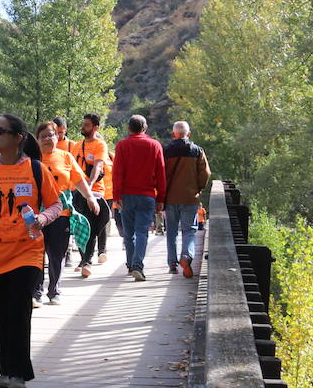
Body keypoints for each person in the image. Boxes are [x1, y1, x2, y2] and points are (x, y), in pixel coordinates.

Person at [0, 114, 62, 388]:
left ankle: (18, 374)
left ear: (18, 138)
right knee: (1, 316)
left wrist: (42, 218)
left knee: (20, 312)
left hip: (26, 251)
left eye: (0, 131)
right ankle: (5, 369)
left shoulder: (35, 169)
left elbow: (56, 204)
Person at [35, 121, 100, 304]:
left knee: (57, 254)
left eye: (51, 135)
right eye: (43, 136)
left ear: (58, 137)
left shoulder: (66, 157)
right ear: (37, 140)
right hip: (36, 215)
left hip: (61, 214)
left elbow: (78, 180)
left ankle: (54, 291)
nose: (48, 139)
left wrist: (90, 197)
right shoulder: (32, 159)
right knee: (37, 254)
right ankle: (36, 292)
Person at [110, 114, 167, 281]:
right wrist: (161, 198)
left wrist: (116, 196)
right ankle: (137, 265)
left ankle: (130, 264)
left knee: (129, 233)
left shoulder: (122, 146)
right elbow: (161, 173)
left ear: (129, 128)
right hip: (147, 196)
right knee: (142, 232)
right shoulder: (155, 145)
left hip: (127, 196)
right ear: (145, 128)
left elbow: (117, 173)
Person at [163, 121, 211, 277]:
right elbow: (206, 174)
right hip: (190, 197)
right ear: (188, 134)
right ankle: (186, 256)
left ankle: (172, 264)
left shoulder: (166, 151)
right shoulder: (197, 151)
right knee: (189, 231)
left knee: (171, 232)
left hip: (170, 198)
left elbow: (160, 173)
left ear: (173, 134)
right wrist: (198, 188)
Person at [74, 113, 112, 277]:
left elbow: (98, 166)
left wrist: (89, 185)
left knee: (90, 225)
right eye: (83, 124)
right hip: (76, 191)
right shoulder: (76, 146)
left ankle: (87, 261)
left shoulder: (100, 145)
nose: (83, 127)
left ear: (95, 127)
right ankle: (84, 259)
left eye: (87, 124)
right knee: (80, 227)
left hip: (94, 191)